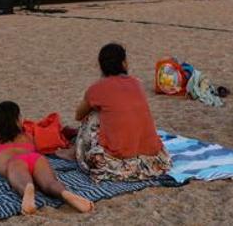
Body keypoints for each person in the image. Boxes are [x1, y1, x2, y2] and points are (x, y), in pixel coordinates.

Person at [72, 43, 171, 182]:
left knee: (93, 116)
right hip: (154, 160)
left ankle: (76, 152)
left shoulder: (97, 88)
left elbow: (78, 115)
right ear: (124, 63)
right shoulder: (136, 83)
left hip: (119, 161)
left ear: (101, 66)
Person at [0, 101, 94, 215]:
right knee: (50, 183)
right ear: (15, 121)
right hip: (35, 158)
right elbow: (34, 151)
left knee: (22, 182)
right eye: (20, 116)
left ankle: (27, 189)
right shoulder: (27, 136)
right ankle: (63, 192)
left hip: (15, 162)